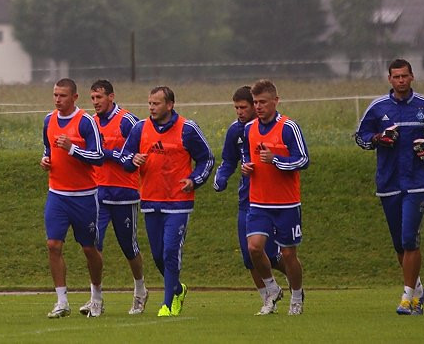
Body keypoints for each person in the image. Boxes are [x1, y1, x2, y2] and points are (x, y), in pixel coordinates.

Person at [354, 58, 424, 316]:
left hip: (417, 182)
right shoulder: (377, 107)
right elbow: (361, 137)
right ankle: (418, 290)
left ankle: (407, 298)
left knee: (409, 238)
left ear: (412, 77)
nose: (401, 80)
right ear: (390, 79)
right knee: (399, 245)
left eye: (405, 76)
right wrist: (378, 138)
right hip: (388, 182)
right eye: (396, 76)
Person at [121, 86, 213, 318]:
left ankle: (167, 304)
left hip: (178, 202)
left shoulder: (187, 129)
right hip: (150, 200)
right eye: (150, 103)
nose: (151, 107)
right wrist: (133, 160)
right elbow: (125, 158)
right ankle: (178, 289)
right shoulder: (140, 128)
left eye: (157, 103)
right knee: (158, 256)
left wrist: (194, 180)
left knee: (171, 251)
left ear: (170, 105)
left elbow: (207, 159)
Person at [213, 86, 287, 310]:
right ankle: (269, 297)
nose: (239, 112)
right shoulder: (235, 131)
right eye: (236, 107)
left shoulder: (274, 128)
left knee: (271, 255)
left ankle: (295, 282)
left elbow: (286, 156)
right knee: (249, 256)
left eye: (243, 107)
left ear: (255, 106)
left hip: (273, 199)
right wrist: (221, 177)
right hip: (248, 200)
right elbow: (228, 160)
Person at [241, 79, 309, 316]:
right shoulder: (249, 128)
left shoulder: (288, 127)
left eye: (263, 102)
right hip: (259, 201)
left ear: (275, 101)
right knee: (254, 248)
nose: (258, 107)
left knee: (288, 255)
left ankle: (297, 297)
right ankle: (272, 288)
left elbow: (303, 159)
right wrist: (246, 167)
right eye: (255, 102)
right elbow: (247, 155)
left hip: (286, 203)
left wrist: (277, 160)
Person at [39, 78, 105, 319]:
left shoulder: (86, 122)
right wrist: (45, 160)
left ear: (75, 97)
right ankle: (62, 301)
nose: (58, 100)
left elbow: (98, 156)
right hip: (57, 194)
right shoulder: (49, 120)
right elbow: (48, 149)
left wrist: (72, 148)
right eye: (55, 95)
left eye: (63, 95)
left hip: (84, 196)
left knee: (89, 248)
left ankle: (96, 297)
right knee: (53, 245)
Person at [83, 79, 148, 316]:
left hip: (124, 194)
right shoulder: (91, 122)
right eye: (92, 98)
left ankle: (140, 290)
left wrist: (109, 154)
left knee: (129, 247)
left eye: (99, 97)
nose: (95, 102)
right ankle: (95, 298)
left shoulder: (127, 121)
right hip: (98, 193)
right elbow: (91, 153)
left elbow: (137, 152)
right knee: (92, 246)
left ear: (111, 97)